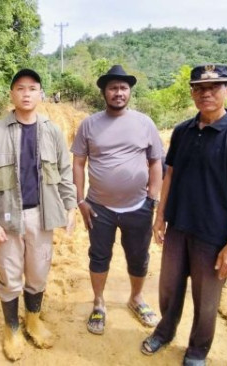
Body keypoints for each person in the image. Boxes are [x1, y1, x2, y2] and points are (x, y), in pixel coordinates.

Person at [140, 64, 227, 366]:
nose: (206, 93)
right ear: (193, 93)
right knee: (169, 287)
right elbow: (170, 175)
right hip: (179, 227)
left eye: (214, 87)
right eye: (199, 88)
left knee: (206, 298)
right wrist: (160, 216)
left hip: (214, 234)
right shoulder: (183, 131)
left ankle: (197, 350)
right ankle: (165, 331)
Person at [0, 68, 77, 361]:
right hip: (7, 217)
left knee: (38, 271)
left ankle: (33, 319)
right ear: (12, 94)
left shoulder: (52, 131)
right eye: (21, 88)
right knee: (9, 275)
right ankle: (11, 328)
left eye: (33, 88)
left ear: (41, 94)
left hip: (42, 215)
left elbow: (64, 170)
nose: (27, 93)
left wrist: (70, 207)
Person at [71, 65, 165, 336]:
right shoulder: (89, 124)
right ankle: (99, 302)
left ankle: (136, 298)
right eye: (113, 88)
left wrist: (153, 198)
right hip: (99, 207)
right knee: (99, 256)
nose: (119, 92)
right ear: (104, 92)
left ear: (130, 91)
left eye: (123, 88)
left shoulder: (144, 123)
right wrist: (80, 200)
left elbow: (155, 161)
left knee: (138, 257)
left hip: (138, 206)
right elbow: (78, 163)